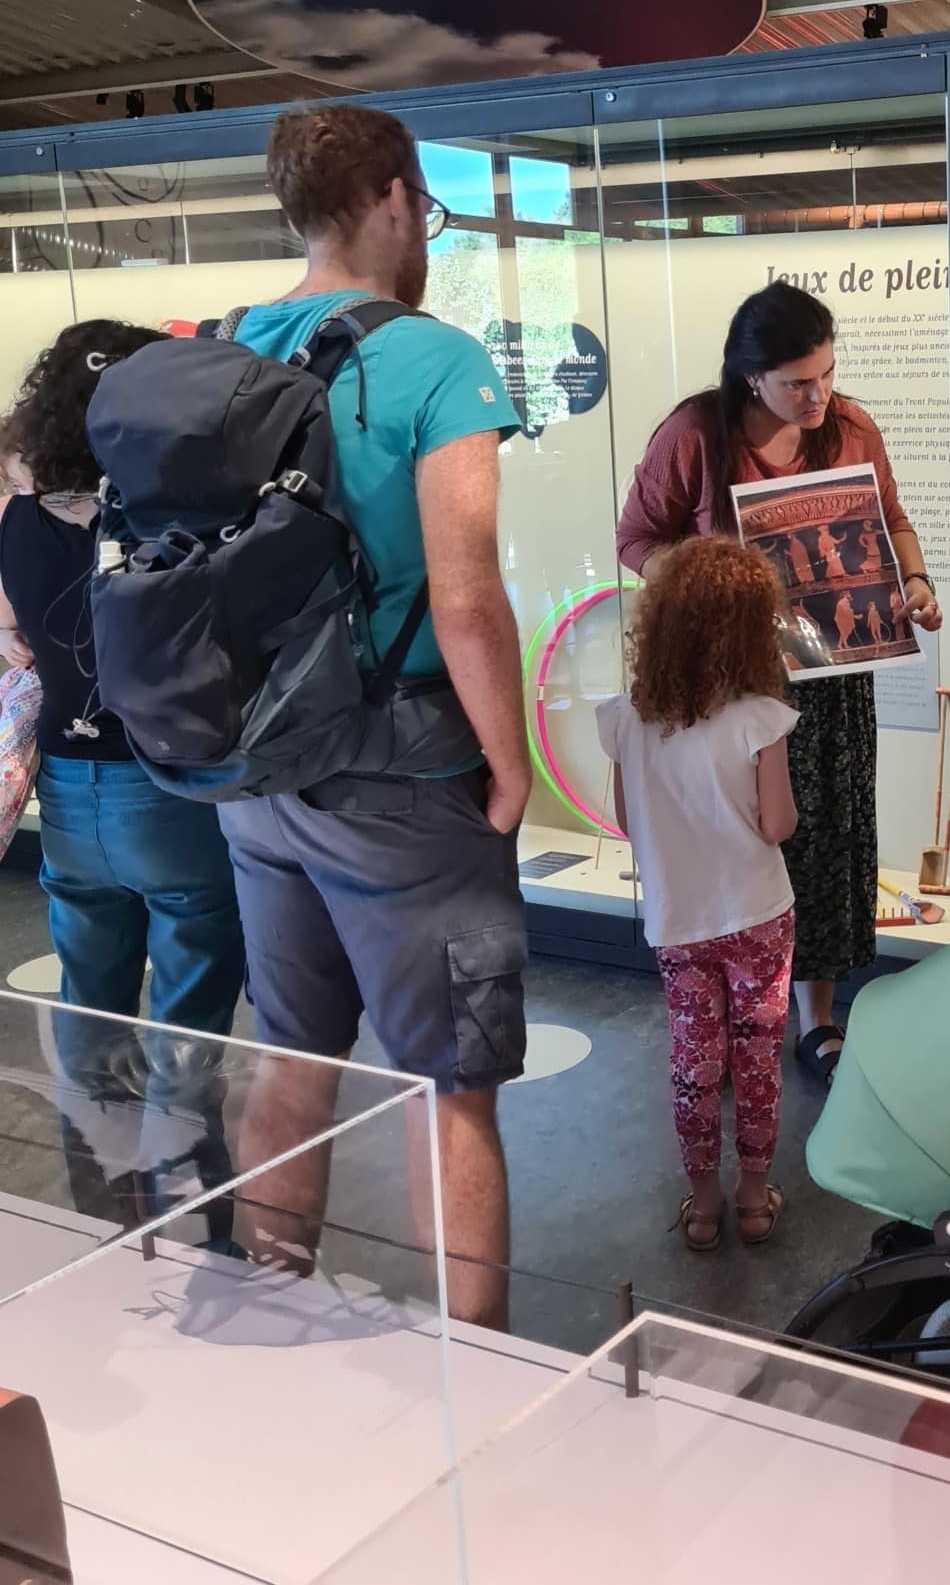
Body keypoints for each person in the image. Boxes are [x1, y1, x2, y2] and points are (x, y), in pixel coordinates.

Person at [221, 104, 531, 1331]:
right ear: (396, 199)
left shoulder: (231, 346)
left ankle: (267, 1303)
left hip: (260, 774)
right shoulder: (438, 361)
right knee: (450, 1085)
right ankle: (479, 1371)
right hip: (405, 778)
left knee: (291, 1053)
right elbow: (467, 598)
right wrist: (509, 767)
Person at [615, 282, 943, 1085]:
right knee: (736, 841)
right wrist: (706, 583)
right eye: (798, 382)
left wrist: (915, 581)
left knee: (824, 841)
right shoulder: (695, 435)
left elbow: (892, 519)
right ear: (749, 376)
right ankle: (734, 1013)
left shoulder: (852, 428)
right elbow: (636, 539)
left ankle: (815, 1017)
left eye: (827, 374)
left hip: (828, 678)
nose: (818, 395)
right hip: (728, 680)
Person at [0, 322, 245, 1037]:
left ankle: (90, 1109)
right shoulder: (171, 521)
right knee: (190, 1007)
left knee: (87, 991)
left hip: (67, 785)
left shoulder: (18, 514)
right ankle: (179, 1113)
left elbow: (16, 626)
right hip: (169, 783)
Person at [598, 537, 798, 1251]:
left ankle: (704, 1202)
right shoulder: (760, 719)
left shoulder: (626, 718)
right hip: (757, 913)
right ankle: (754, 1197)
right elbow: (777, 825)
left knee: (694, 1060)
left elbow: (628, 821)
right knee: (757, 1057)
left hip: (676, 918)